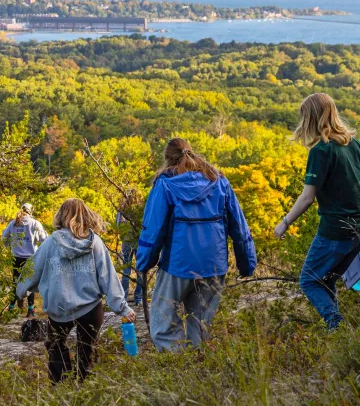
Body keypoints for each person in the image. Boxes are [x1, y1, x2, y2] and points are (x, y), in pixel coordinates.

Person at [136, 138, 257, 352]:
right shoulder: (219, 181)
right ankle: (199, 370)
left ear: (168, 158)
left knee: (163, 324)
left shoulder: (165, 183)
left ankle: (177, 371)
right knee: (200, 324)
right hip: (214, 266)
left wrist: (144, 263)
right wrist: (246, 263)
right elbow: (239, 226)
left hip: (178, 265)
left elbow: (153, 229)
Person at [17, 199, 136, 383]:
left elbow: (31, 271)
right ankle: (83, 389)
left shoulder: (50, 243)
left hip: (60, 309)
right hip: (91, 308)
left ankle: (61, 388)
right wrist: (123, 308)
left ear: (61, 216)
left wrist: (20, 291)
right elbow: (108, 277)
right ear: (85, 215)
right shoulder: (94, 242)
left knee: (56, 346)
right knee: (86, 350)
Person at [274, 93, 360, 330]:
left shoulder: (321, 151)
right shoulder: (353, 144)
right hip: (357, 230)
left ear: (310, 118)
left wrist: (285, 222)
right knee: (326, 280)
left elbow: (307, 198)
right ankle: (340, 337)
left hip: (335, 230)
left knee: (310, 281)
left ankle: (338, 327)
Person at [2, 203, 47, 315]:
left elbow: (4, 238)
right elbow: (43, 239)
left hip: (16, 257)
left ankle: (11, 308)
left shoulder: (13, 223)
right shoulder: (35, 223)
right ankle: (30, 310)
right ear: (31, 211)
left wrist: (9, 246)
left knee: (15, 281)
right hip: (31, 258)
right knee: (30, 283)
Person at [116, 210, 142, 306]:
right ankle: (138, 299)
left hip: (126, 241)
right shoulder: (138, 204)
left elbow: (118, 225)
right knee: (141, 270)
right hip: (139, 241)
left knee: (126, 271)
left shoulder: (122, 208)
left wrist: (124, 236)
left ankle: (125, 298)